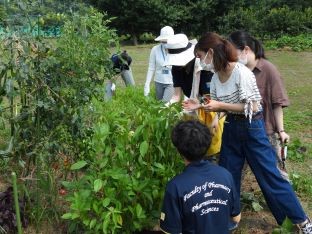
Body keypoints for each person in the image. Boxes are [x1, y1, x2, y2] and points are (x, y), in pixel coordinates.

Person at [183, 32, 312, 233]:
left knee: (270, 176)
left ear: (210, 52)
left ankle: (302, 221)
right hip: (232, 128)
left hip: (252, 128)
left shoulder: (241, 73)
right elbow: (219, 105)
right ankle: (231, 217)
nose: (199, 62)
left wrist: (219, 105)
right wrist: (199, 105)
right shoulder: (216, 77)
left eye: (200, 56)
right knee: (228, 175)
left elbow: (252, 106)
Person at [160, 120, 241, 234]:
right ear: (207, 144)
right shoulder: (225, 175)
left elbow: (170, 231)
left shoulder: (175, 187)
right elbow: (236, 218)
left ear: (179, 150)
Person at [228, 30, 290, 180]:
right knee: (234, 170)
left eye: (232, 52)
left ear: (246, 49)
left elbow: (277, 103)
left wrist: (281, 130)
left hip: (264, 130)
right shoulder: (236, 70)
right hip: (239, 128)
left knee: (274, 172)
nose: (230, 56)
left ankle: (284, 199)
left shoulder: (268, 69)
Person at [164, 33, 224, 159]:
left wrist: (201, 105)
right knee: (193, 149)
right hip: (192, 111)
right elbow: (176, 95)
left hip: (212, 111)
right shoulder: (176, 69)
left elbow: (213, 98)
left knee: (211, 149)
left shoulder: (204, 65)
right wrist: (165, 108)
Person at [144, 26, 174, 102]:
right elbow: (151, 67)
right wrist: (147, 84)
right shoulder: (155, 49)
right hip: (158, 81)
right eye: (162, 41)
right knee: (159, 104)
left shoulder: (177, 50)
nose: (164, 43)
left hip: (171, 82)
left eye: (166, 41)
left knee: (165, 104)